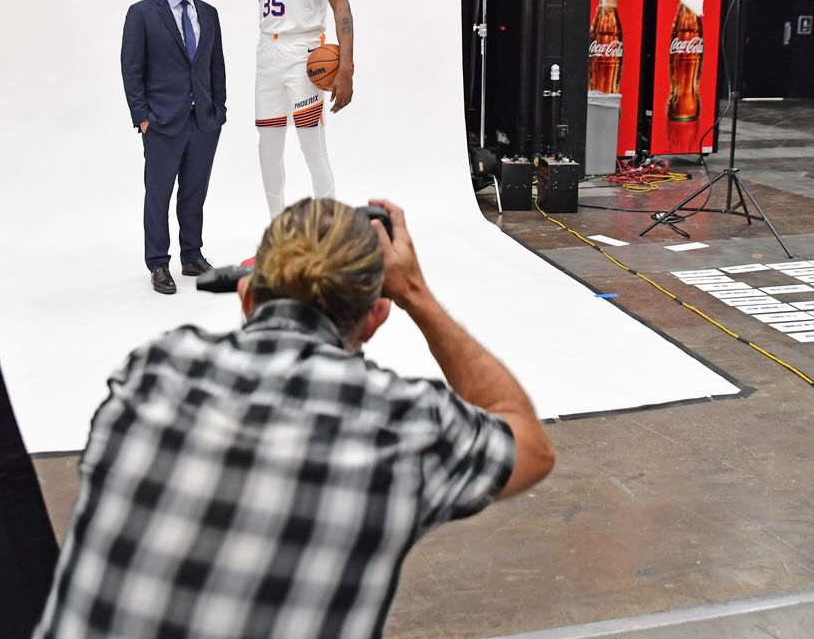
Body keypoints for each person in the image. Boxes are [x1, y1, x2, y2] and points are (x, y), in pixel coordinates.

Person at [33, 198, 555, 639]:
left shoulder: (152, 374)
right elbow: (530, 445)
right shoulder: (401, 425)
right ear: (376, 317)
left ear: (245, 294)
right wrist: (416, 293)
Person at [120, 0, 226, 294]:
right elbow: (131, 68)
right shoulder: (143, 13)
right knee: (159, 194)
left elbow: (215, 67)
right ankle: (158, 263)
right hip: (162, 122)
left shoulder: (208, 14)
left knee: (194, 193)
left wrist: (219, 111)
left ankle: (192, 255)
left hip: (204, 122)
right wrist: (143, 118)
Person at [252, 0, 353, 218]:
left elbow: (341, 6)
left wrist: (346, 67)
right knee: (268, 149)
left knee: (313, 147)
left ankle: (328, 235)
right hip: (267, 54)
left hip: (304, 53)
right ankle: (276, 233)